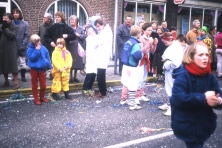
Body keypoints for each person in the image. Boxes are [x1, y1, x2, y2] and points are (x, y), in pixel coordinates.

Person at [170, 42, 222, 148]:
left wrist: (219, 100)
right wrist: (203, 97)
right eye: (200, 55)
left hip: (204, 123)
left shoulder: (208, 74)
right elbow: (178, 98)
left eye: (206, 55)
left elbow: (217, 93)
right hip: (188, 125)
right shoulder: (183, 75)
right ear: (191, 57)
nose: (205, 58)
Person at [158, 34, 187, 116]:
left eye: (165, 41)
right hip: (170, 70)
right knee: (169, 87)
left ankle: (172, 108)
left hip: (172, 71)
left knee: (171, 88)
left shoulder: (176, 47)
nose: (164, 43)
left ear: (170, 39)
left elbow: (176, 63)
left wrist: (165, 65)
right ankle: (169, 104)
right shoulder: (174, 46)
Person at [44, 11, 76, 79]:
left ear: (62, 18)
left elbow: (74, 36)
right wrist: (50, 42)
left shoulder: (67, 27)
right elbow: (46, 36)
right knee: (55, 62)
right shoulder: (52, 27)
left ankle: (64, 76)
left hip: (64, 49)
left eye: (58, 17)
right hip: (54, 49)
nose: (57, 18)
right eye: (56, 17)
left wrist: (67, 35)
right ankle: (53, 75)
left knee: (64, 62)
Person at [120, 25, 143, 110]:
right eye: (140, 33)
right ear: (137, 34)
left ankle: (125, 100)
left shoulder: (128, 42)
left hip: (125, 66)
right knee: (133, 84)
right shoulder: (136, 44)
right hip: (132, 67)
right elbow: (137, 55)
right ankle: (132, 104)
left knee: (126, 83)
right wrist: (142, 54)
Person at [26, 34, 52, 105]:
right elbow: (32, 58)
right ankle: (36, 99)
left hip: (42, 69)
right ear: (32, 42)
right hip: (34, 69)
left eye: (38, 41)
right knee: (35, 85)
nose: (38, 43)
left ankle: (42, 97)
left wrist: (50, 67)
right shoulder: (30, 49)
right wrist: (37, 51)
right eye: (36, 42)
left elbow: (47, 57)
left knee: (43, 85)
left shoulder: (43, 48)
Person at [94, 18, 113, 98]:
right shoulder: (104, 31)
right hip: (101, 54)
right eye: (97, 27)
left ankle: (103, 92)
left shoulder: (106, 32)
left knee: (101, 74)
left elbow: (98, 42)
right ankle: (102, 90)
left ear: (103, 25)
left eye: (99, 26)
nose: (98, 28)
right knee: (100, 73)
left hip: (103, 55)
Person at [0, 13, 19, 90]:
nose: (4, 20)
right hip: (2, 48)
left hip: (11, 48)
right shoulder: (2, 26)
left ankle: (16, 83)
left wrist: (5, 29)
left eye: (6, 18)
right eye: (3, 18)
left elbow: (12, 36)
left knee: (13, 65)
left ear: (10, 19)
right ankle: (6, 81)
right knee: (4, 64)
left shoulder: (14, 27)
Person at [12, 8, 30, 82]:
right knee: (14, 62)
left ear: (19, 14)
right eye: (14, 13)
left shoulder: (25, 23)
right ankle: (15, 77)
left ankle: (23, 76)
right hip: (12, 46)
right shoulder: (11, 23)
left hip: (21, 46)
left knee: (22, 62)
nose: (15, 14)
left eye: (17, 13)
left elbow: (27, 35)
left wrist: (23, 43)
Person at [69, 15, 86, 83]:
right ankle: (70, 77)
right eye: (70, 20)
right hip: (70, 46)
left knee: (76, 63)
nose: (71, 21)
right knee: (71, 62)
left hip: (78, 47)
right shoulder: (68, 28)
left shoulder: (81, 28)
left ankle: (75, 77)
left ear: (76, 21)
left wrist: (78, 35)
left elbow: (84, 36)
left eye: (72, 20)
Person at [37, 13, 54, 80]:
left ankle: (51, 74)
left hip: (51, 46)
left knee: (50, 60)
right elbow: (39, 34)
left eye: (45, 18)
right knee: (43, 59)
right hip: (43, 45)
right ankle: (43, 73)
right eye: (44, 17)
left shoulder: (53, 26)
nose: (44, 19)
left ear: (49, 19)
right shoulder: (41, 26)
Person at [82, 27, 98, 96]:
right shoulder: (88, 38)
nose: (91, 32)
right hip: (90, 58)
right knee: (89, 74)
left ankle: (90, 88)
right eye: (89, 31)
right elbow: (96, 44)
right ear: (87, 33)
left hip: (95, 58)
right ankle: (85, 89)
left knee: (93, 74)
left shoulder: (95, 37)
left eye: (92, 30)